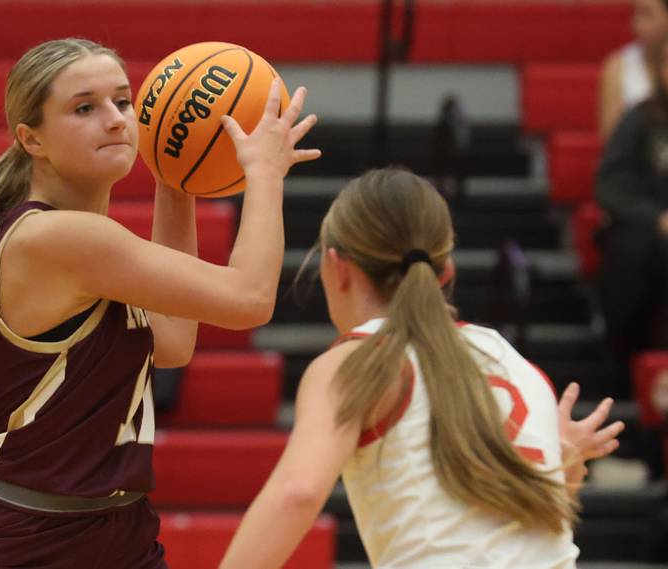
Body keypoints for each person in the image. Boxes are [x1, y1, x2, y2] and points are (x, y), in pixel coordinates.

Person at [0, 37, 319, 569]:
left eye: (123, 102)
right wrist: (265, 176)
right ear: (30, 138)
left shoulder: (91, 242)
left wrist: (175, 180)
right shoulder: (60, 238)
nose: (114, 119)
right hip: (16, 542)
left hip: (117, 535)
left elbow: (173, 343)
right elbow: (248, 299)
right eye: (84, 107)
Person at [219, 168, 624, 569]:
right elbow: (521, 538)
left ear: (337, 268)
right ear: (446, 272)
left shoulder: (355, 360)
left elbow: (298, 493)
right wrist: (562, 466)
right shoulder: (513, 361)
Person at [596, 34, 668, 395]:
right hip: (647, 235)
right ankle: (628, 375)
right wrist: (656, 218)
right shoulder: (640, 119)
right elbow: (611, 186)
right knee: (633, 251)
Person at [599, 0, 668, 139]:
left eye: (647, 14)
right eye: (637, 13)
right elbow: (611, 138)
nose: (638, 23)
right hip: (636, 155)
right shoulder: (617, 67)